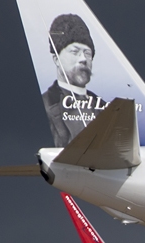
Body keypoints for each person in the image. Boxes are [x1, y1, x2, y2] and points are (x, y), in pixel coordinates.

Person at [42, 14, 107, 147]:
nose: (83, 59)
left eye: (87, 53)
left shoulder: (105, 108)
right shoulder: (45, 105)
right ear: (56, 59)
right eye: (75, 51)